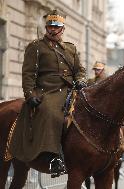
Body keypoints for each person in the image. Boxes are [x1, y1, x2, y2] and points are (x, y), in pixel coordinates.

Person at [11, 9, 86, 178]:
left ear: (62, 29)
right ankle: (53, 157)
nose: (52, 29)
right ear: (46, 27)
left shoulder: (71, 49)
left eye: (56, 26)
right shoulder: (36, 47)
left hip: (70, 90)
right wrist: (30, 95)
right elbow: (28, 74)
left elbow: (79, 70)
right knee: (51, 112)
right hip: (47, 90)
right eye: (50, 26)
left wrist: (81, 79)